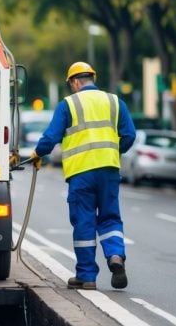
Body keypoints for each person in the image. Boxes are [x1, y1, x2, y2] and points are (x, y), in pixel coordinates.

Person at [31, 62, 135, 290]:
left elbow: (50, 138)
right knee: (110, 218)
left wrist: (37, 154)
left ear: (75, 82)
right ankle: (116, 256)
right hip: (109, 170)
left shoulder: (68, 104)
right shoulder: (115, 102)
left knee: (84, 221)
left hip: (81, 173)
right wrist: (112, 152)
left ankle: (87, 277)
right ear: (92, 79)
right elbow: (129, 135)